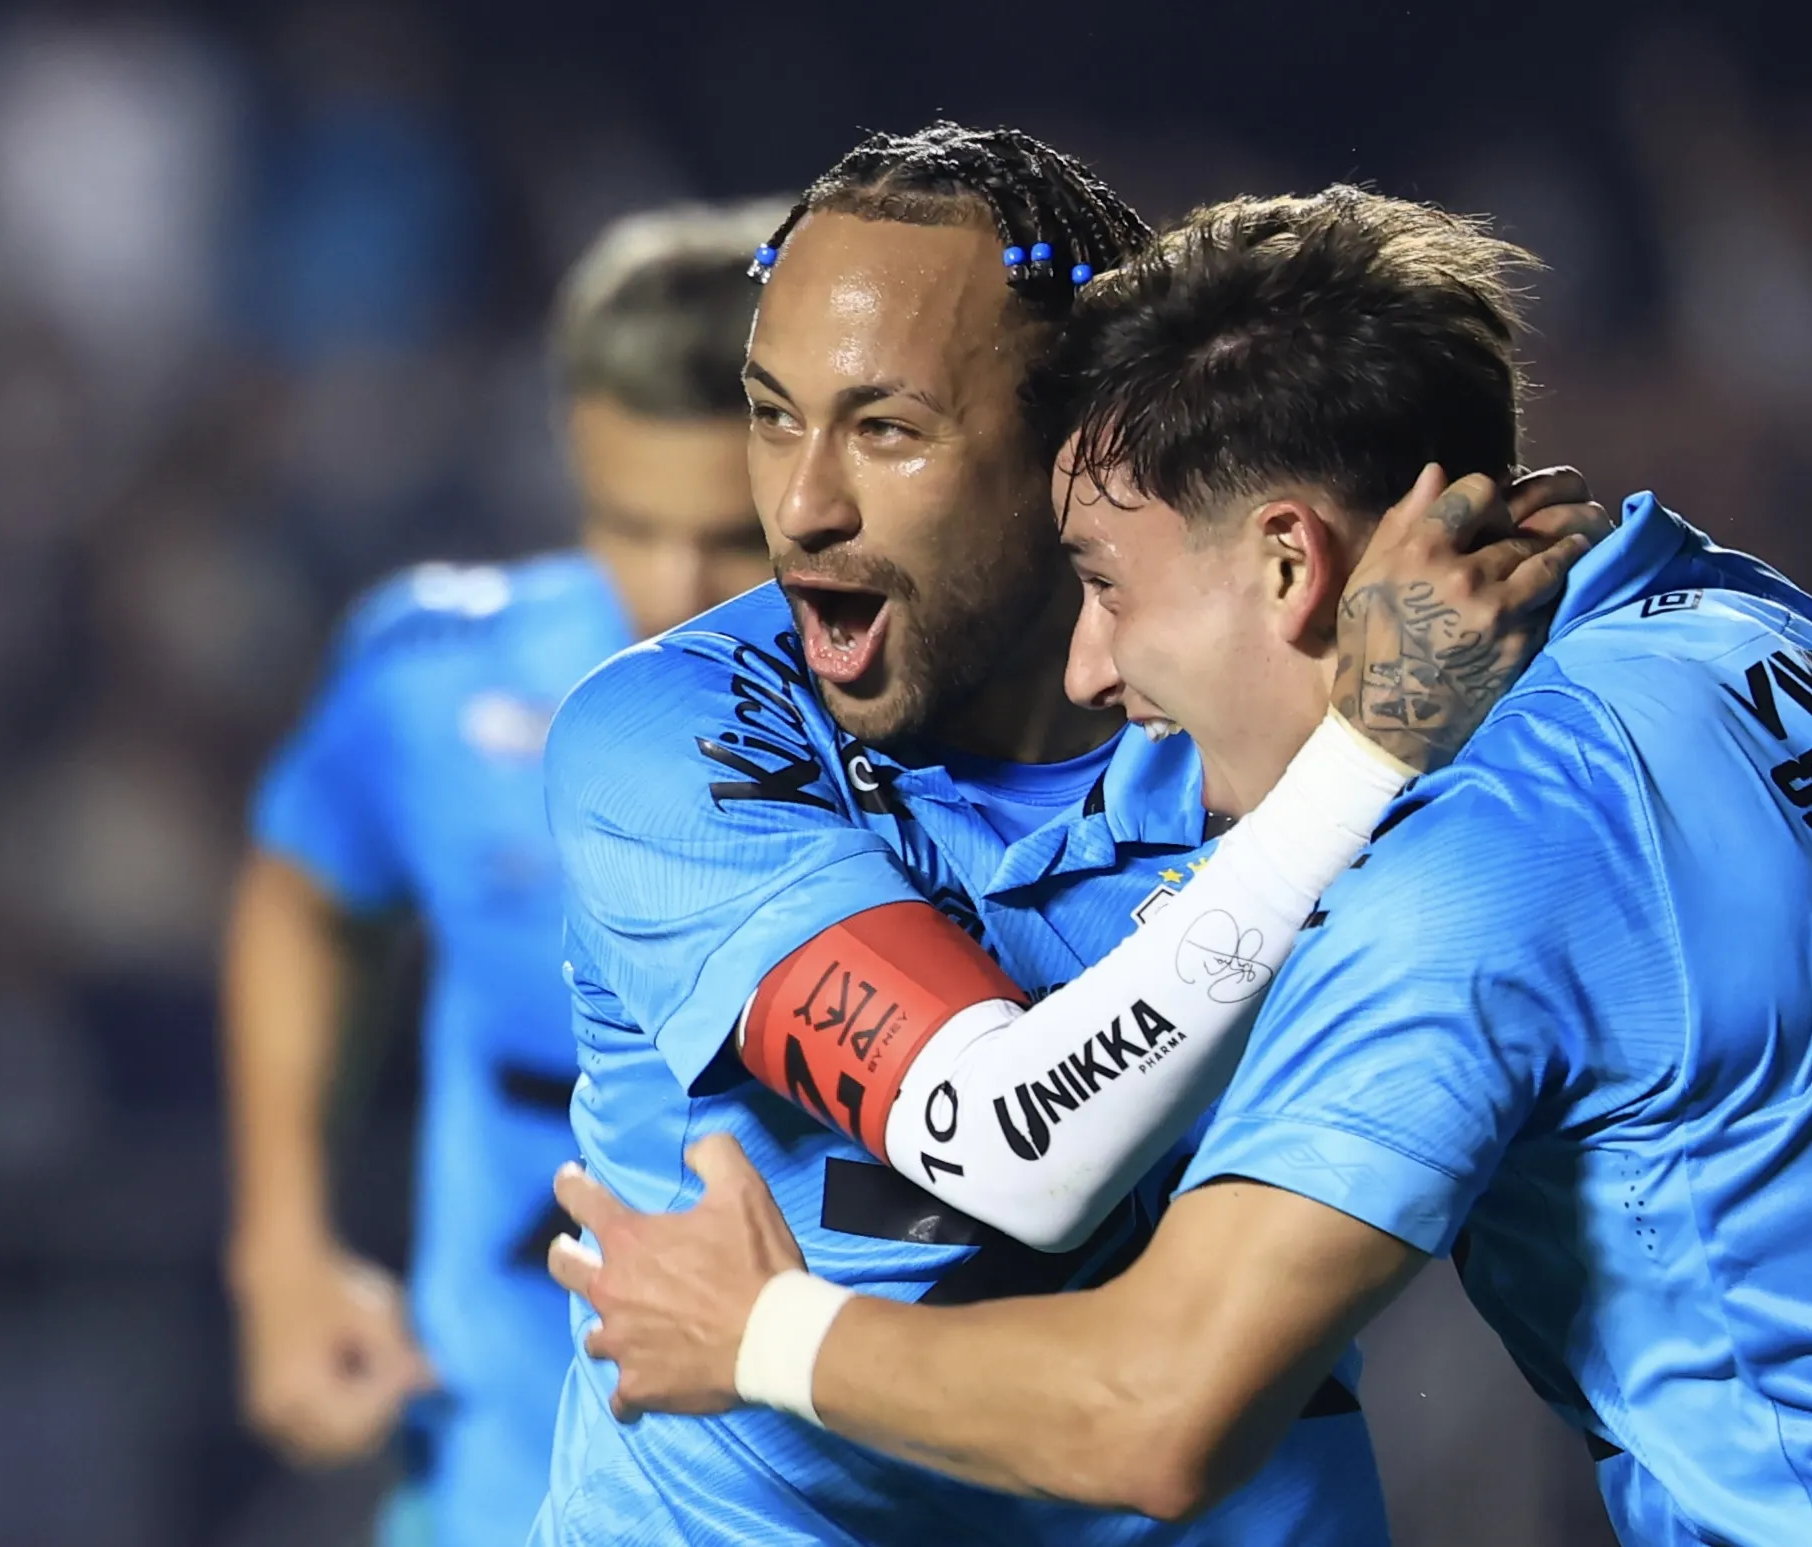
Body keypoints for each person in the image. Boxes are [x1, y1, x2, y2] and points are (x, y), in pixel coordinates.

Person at [547, 187, 1812, 1547]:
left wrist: (763, 1333)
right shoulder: (1786, 639)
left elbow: (1159, 1407)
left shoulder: (1472, 859)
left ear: (1291, 561)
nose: (1092, 666)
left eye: (1108, 583)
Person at [530, 124, 1598, 1546]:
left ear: (1068, 448)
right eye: (774, 412)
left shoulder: (1306, 737)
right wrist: (1363, 759)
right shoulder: (673, 734)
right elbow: (1009, 1144)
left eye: (888, 429)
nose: (796, 505)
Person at [221, 201, 780, 1547]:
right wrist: (283, 1245)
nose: (670, 582)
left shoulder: (949, 721)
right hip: (504, 1483)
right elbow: (305, 894)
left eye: (734, 534)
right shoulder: (439, 677)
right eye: (624, 521)